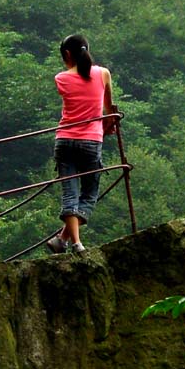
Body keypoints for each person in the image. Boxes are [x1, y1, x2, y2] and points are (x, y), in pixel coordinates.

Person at [46, 33, 115, 254]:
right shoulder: (103, 74)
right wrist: (106, 129)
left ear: (67, 55)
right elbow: (109, 111)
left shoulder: (61, 78)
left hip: (64, 140)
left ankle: (66, 240)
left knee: (70, 192)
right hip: (91, 141)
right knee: (90, 193)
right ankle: (73, 242)